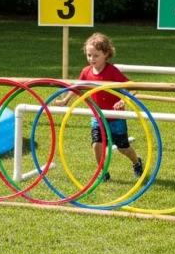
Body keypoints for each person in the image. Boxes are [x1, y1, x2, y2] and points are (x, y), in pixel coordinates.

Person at [54, 33, 144, 182]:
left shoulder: (112, 71)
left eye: (95, 56)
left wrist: (124, 100)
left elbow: (132, 87)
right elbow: (77, 86)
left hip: (116, 117)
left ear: (106, 54)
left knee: (123, 148)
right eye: (89, 55)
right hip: (97, 116)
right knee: (97, 145)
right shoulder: (86, 71)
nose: (91, 59)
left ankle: (136, 162)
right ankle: (103, 171)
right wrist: (66, 99)